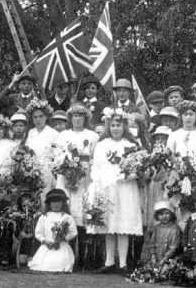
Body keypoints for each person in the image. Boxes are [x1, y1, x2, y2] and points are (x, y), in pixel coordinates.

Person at [88, 107, 144, 273]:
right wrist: (97, 183)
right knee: (109, 225)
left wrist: (129, 175)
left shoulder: (132, 145)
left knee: (123, 225)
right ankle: (109, 261)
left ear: (124, 126)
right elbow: (96, 166)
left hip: (126, 189)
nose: (115, 128)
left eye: (118, 125)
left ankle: (123, 263)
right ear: (108, 126)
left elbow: (139, 167)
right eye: (112, 125)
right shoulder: (102, 145)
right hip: (107, 188)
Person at [56, 104, 98, 268]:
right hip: (66, 178)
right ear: (70, 119)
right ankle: (68, 254)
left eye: (81, 116)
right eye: (75, 116)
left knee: (82, 213)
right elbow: (59, 156)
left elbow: (94, 157)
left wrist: (80, 169)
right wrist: (67, 169)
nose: (78, 119)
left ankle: (83, 258)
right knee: (68, 213)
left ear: (86, 118)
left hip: (84, 178)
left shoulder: (93, 136)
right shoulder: (63, 135)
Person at [28, 188, 77, 272]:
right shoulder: (44, 217)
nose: (56, 204)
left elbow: (73, 232)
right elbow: (38, 233)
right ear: (49, 204)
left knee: (60, 263)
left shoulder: (67, 217)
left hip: (61, 245)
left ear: (63, 203)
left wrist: (63, 238)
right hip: (48, 245)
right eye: (53, 202)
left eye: (59, 202)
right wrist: (45, 241)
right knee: (45, 263)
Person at [23, 99, 61, 198]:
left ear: (46, 117)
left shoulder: (53, 133)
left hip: (47, 170)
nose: (38, 119)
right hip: (32, 171)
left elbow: (58, 155)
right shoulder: (30, 133)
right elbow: (26, 151)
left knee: (45, 196)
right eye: (35, 117)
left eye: (41, 116)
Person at [139, 201, 181, 273]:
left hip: (168, 258)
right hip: (156, 258)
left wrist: (164, 259)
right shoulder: (156, 228)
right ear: (157, 216)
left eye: (167, 213)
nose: (164, 216)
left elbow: (174, 247)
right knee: (148, 271)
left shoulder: (174, 228)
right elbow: (152, 244)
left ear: (171, 214)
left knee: (164, 272)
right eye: (161, 214)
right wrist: (153, 256)